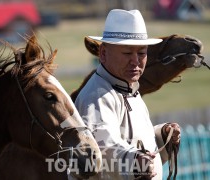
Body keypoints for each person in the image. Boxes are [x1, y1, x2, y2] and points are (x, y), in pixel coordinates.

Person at [74, 9, 181, 179]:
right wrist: (136, 162)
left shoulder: (129, 90)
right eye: (127, 53)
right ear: (103, 54)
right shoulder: (96, 96)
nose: (136, 61)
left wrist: (162, 136)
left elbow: (132, 141)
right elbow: (103, 149)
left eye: (141, 53)